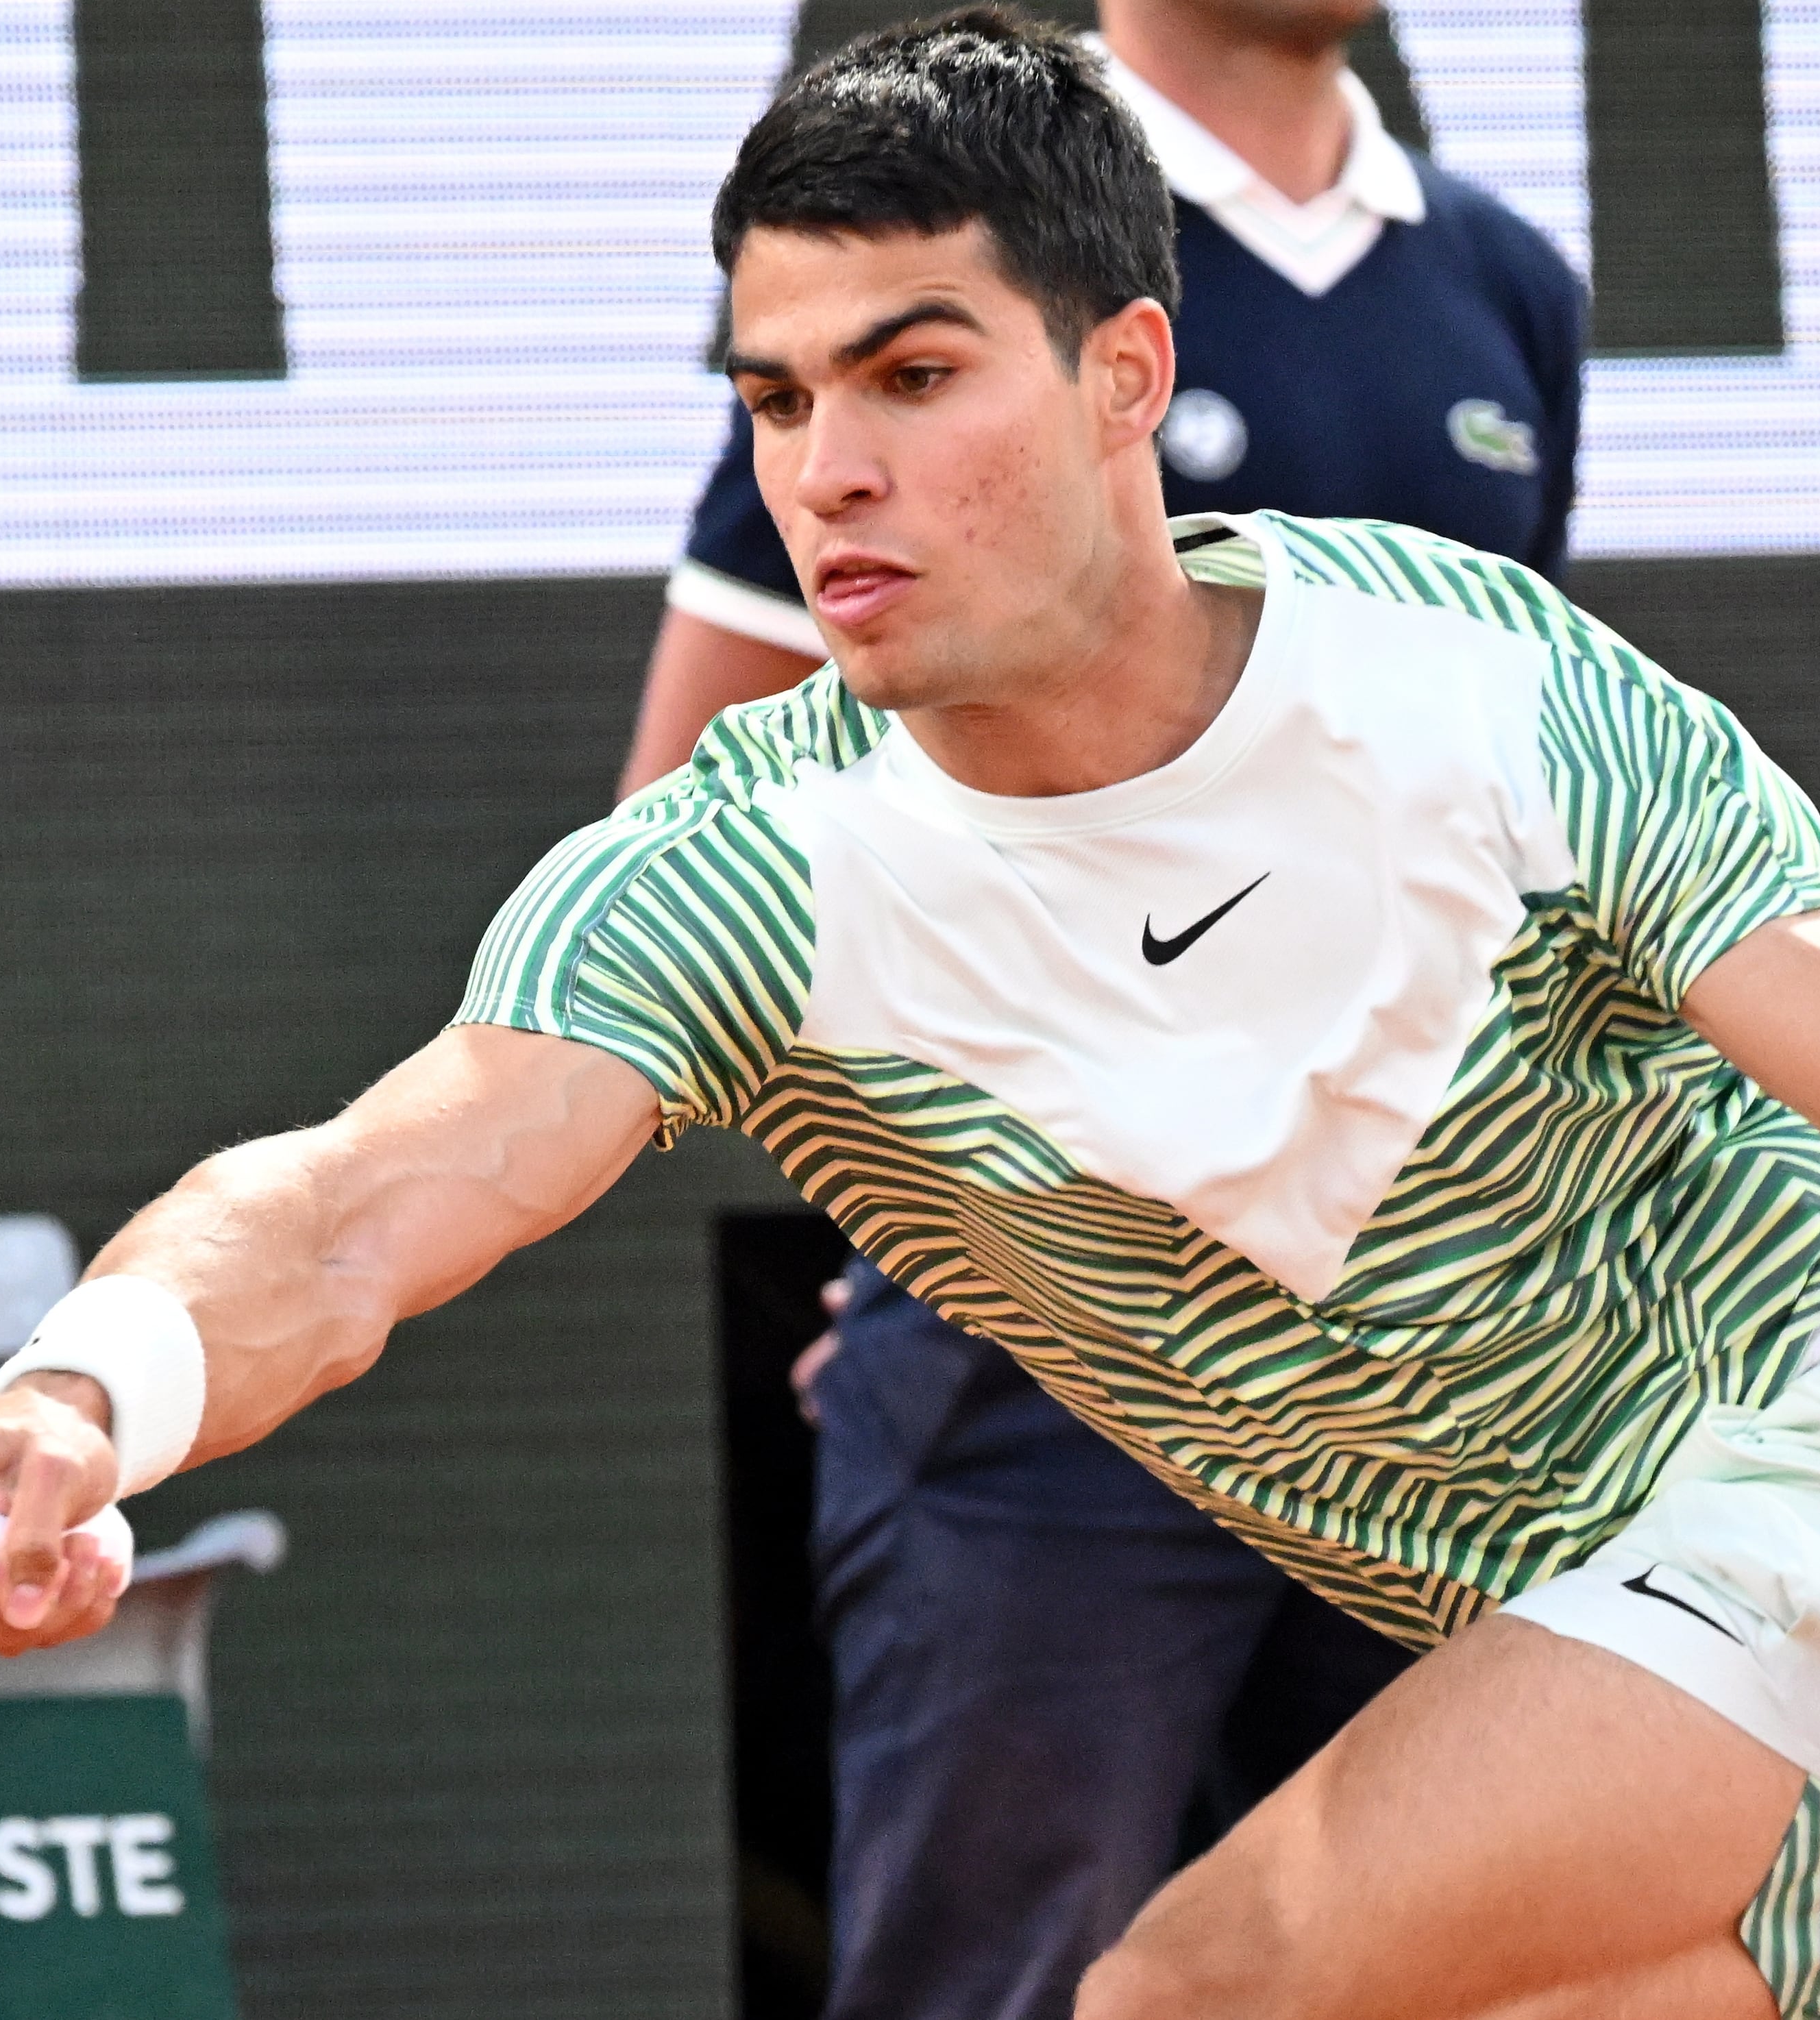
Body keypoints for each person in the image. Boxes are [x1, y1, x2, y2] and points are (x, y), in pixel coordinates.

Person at [0, 15, 1820, 2015]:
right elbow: (341, 1209)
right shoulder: (750, 875)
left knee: (1193, 1994)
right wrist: (83, 1395)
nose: (830, 471)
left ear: (1123, 370)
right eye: (776, 398)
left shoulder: (1464, 685)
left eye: (915, 375)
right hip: (1744, 1710)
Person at [629, 3, 1589, 2006]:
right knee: (1001, 1976)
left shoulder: (1507, 282)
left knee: (1484, 1956)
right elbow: (694, 854)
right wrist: (944, 1211)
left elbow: (1515, 813)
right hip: (1048, 1374)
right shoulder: (940, 247)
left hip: (1443, 1355)